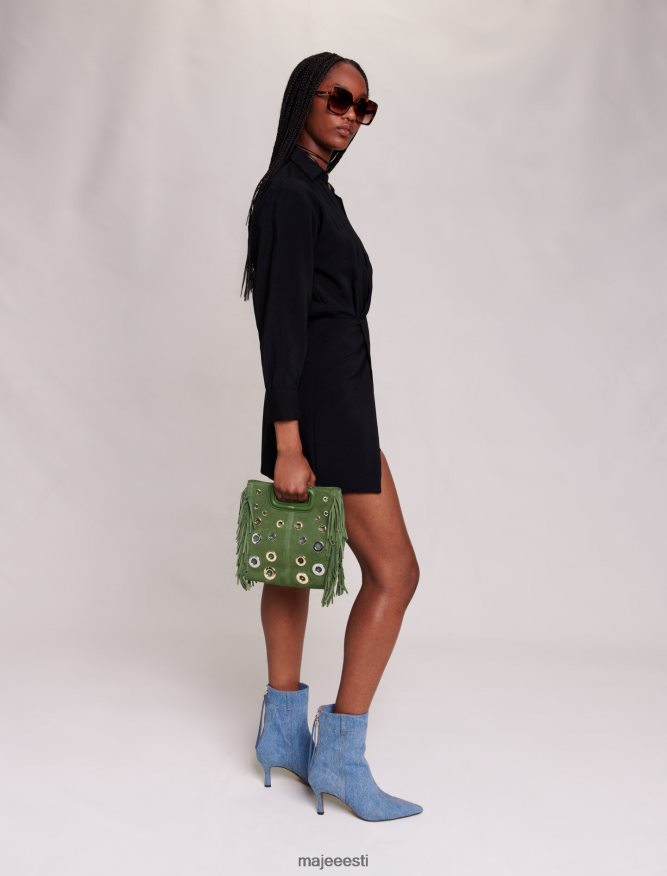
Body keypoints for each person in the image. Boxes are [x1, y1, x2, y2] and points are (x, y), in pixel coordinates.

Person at [240, 52, 422, 821]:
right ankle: (340, 759)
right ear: (304, 100)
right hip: (321, 404)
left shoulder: (310, 191)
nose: (351, 115)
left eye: (363, 107)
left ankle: (284, 734)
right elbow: (280, 321)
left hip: (325, 397)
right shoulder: (290, 193)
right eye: (339, 99)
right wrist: (290, 440)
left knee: (295, 557)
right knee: (394, 572)